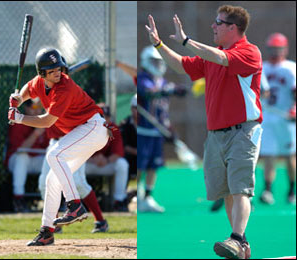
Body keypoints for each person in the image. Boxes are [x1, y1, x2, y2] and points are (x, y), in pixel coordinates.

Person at [145, 5, 263, 258]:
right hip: (216, 134)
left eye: (218, 23)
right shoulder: (214, 54)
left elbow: (222, 59)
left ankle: (237, 238)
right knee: (228, 191)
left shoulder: (248, 52)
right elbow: (180, 66)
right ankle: (241, 244)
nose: (213, 26)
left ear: (233, 28)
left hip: (244, 131)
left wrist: (187, 40)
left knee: (240, 187)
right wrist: (159, 45)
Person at [8, 48, 110, 246]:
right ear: (42, 73)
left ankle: (75, 205)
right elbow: (29, 89)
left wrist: (19, 118)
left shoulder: (64, 88)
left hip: (94, 127)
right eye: (52, 70)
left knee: (54, 155)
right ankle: (47, 232)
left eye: (59, 68)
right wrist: (19, 98)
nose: (58, 72)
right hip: (81, 132)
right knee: (52, 180)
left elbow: (47, 121)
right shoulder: (40, 82)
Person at [137, 45, 186, 213]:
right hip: (143, 131)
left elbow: (165, 103)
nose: (157, 65)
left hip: (157, 130)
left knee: (154, 166)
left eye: (159, 62)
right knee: (140, 166)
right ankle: (138, 194)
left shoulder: (162, 81)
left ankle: (148, 197)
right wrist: (170, 89)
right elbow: (149, 92)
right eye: (153, 62)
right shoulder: (142, 78)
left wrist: (169, 127)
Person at [39, 124, 109, 233]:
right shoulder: (47, 106)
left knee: (78, 183)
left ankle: (100, 221)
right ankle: (54, 225)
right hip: (54, 143)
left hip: (73, 143)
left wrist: (21, 118)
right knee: (44, 183)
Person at [259, 33, 296, 205]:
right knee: (269, 155)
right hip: (267, 117)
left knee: (290, 155)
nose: (275, 52)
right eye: (272, 49)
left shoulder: (290, 68)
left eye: (278, 48)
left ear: (285, 49)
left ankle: (291, 190)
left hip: (286, 118)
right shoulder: (262, 67)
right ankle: (268, 190)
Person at [4, 98, 49, 212]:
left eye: (40, 108)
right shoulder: (18, 122)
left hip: (36, 159)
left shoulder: (46, 122)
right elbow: (21, 149)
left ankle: (56, 201)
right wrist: (36, 134)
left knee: (52, 160)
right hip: (16, 160)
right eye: (34, 107)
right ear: (26, 108)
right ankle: (18, 199)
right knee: (22, 157)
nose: (37, 111)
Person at [85, 104, 130, 212]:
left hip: (106, 163)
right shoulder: (86, 127)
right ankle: (76, 202)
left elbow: (118, 152)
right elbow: (76, 152)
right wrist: (92, 159)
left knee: (122, 164)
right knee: (75, 166)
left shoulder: (113, 128)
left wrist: (107, 160)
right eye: (102, 117)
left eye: (107, 117)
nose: (105, 120)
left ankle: (119, 201)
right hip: (88, 163)